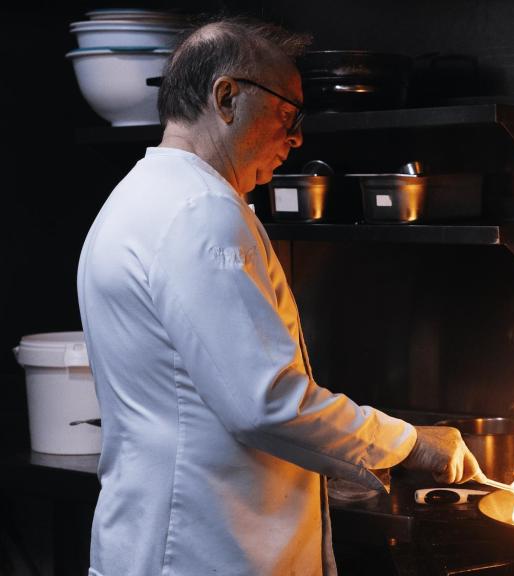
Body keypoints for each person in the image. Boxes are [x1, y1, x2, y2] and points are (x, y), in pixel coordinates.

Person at [76, 16, 481, 576]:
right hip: (208, 549)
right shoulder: (203, 211)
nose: (297, 139)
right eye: (288, 115)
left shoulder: (134, 197)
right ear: (226, 98)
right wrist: (410, 444)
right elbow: (265, 403)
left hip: (160, 539)